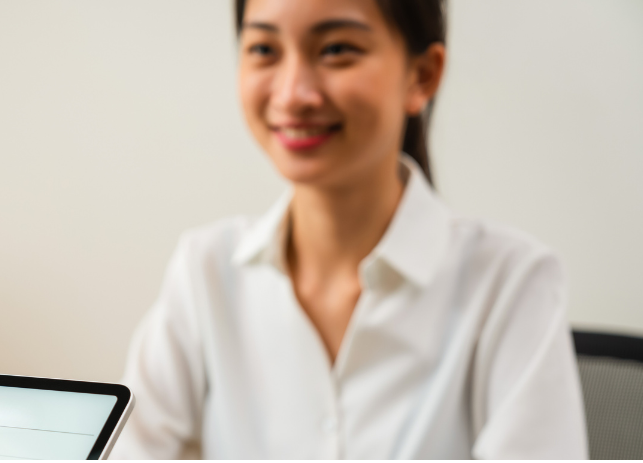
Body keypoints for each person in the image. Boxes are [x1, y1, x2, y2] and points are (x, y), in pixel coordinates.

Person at [111, 0, 588, 459]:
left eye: (337, 49)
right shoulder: (205, 269)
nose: (294, 93)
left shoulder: (512, 282)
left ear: (421, 76)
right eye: (264, 50)